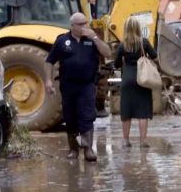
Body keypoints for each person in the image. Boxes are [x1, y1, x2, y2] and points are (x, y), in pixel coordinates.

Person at [44, 12, 112, 161]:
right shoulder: (62, 40)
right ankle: (73, 149)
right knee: (70, 116)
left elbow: (107, 53)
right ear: (73, 26)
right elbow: (50, 60)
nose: (84, 27)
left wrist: (95, 37)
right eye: (81, 24)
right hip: (68, 85)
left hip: (87, 84)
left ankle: (88, 149)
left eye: (85, 23)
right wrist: (48, 81)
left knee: (87, 116)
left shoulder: (91, 39)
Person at [114, 18, 158, 148]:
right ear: (138, 28)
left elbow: (116, 64)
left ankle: (125, 140)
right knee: (142, 111)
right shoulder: (144, 43)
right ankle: (143, 141)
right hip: (143, 79)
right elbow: (155, 56)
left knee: (127, 111)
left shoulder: (123, 45)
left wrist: (124, 62)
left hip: (127, 79)